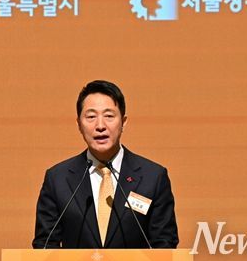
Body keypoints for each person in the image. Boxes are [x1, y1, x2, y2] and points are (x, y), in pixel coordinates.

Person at [32, 80, 179, 249]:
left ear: (123, 122)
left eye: (109, 116)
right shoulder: (58, 179)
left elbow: (165, 245)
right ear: (79, 124)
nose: (100, 126)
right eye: (91, 117)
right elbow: (45, 245)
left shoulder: (153, 178)